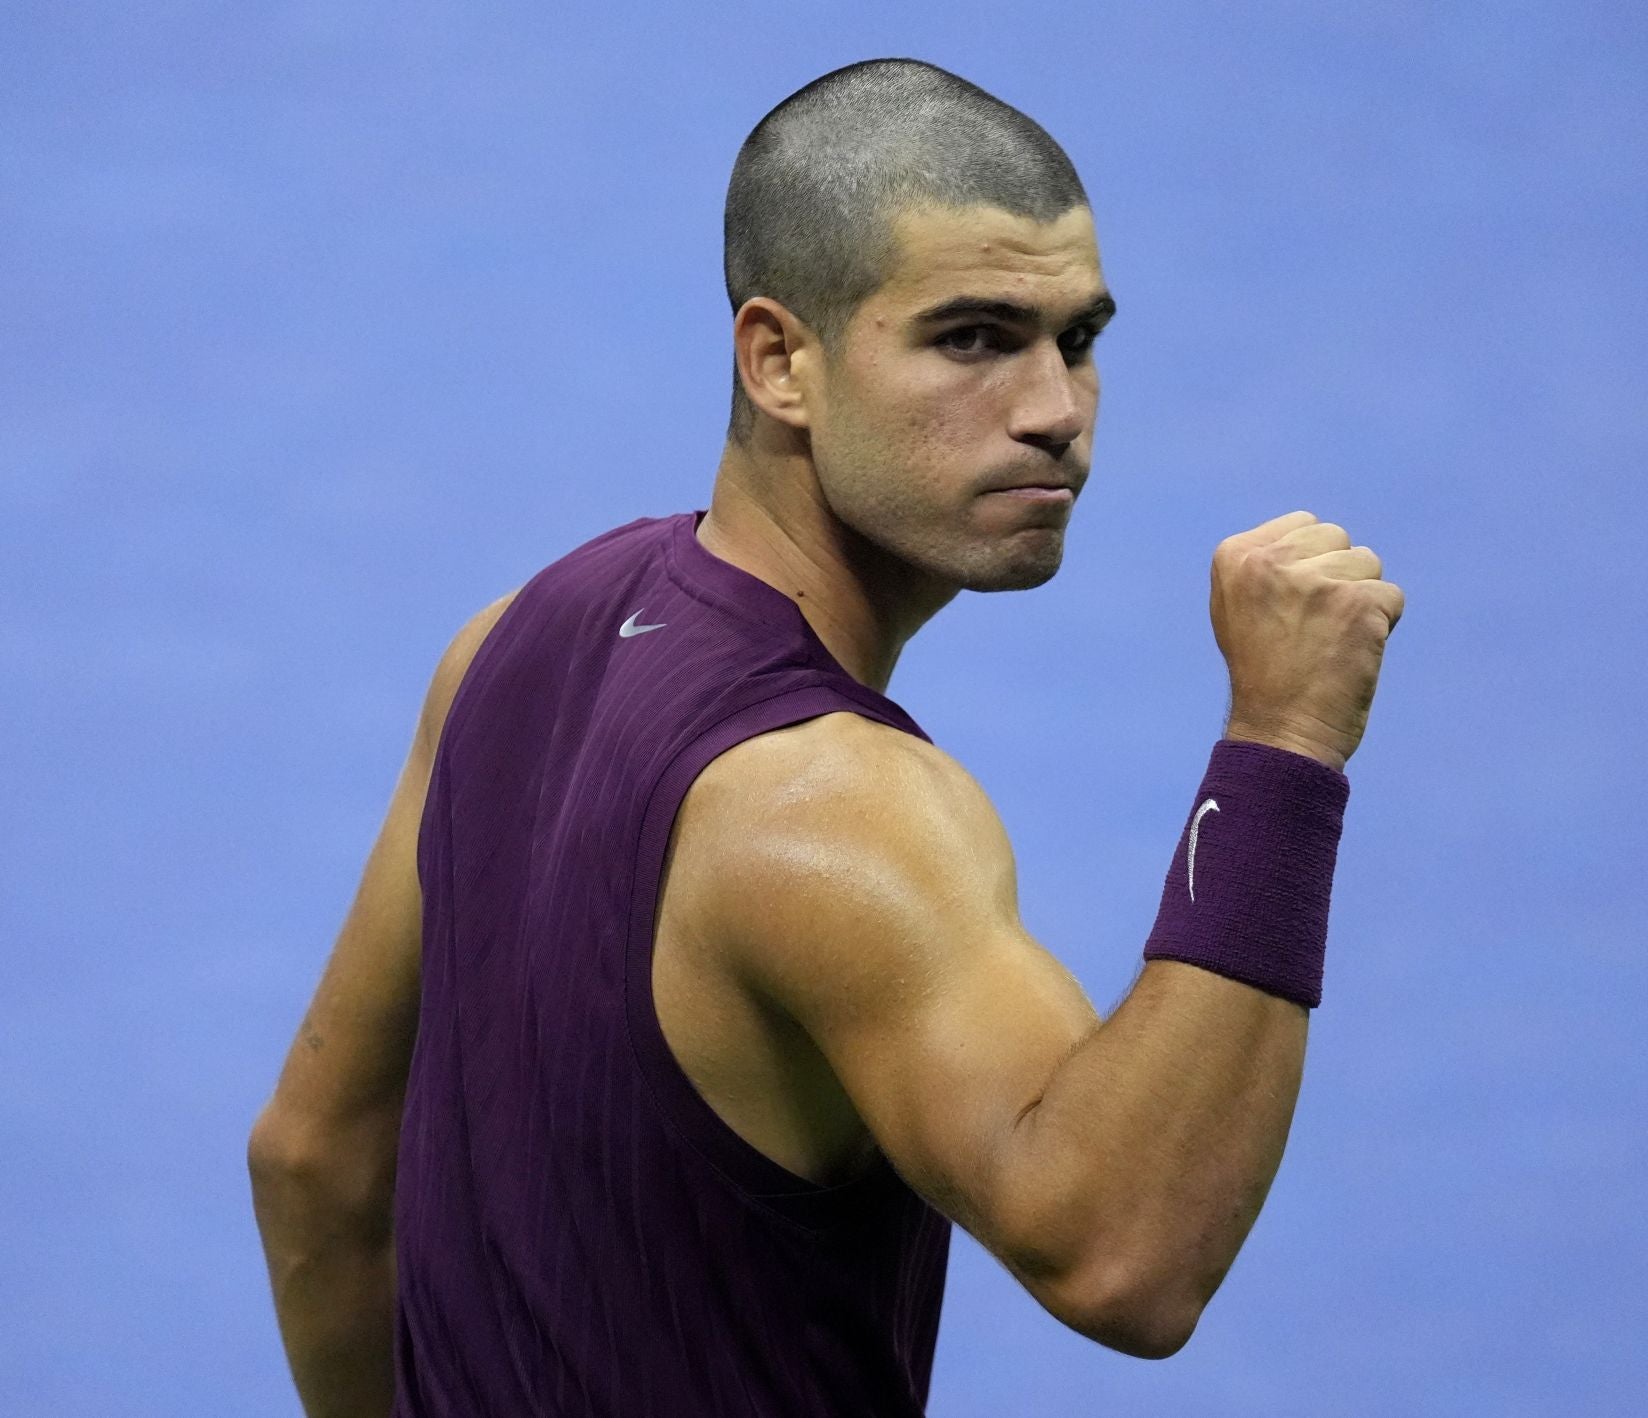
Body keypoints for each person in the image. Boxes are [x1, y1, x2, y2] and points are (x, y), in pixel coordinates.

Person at [246, 55, 1405, 1418]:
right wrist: (1282, 742)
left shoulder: (508, 643)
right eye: (972, 339)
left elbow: (314, 1161)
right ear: (779, 361)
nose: (1054, 410)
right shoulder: (834, 806)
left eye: (1077, 339)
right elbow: (1125, 1254)